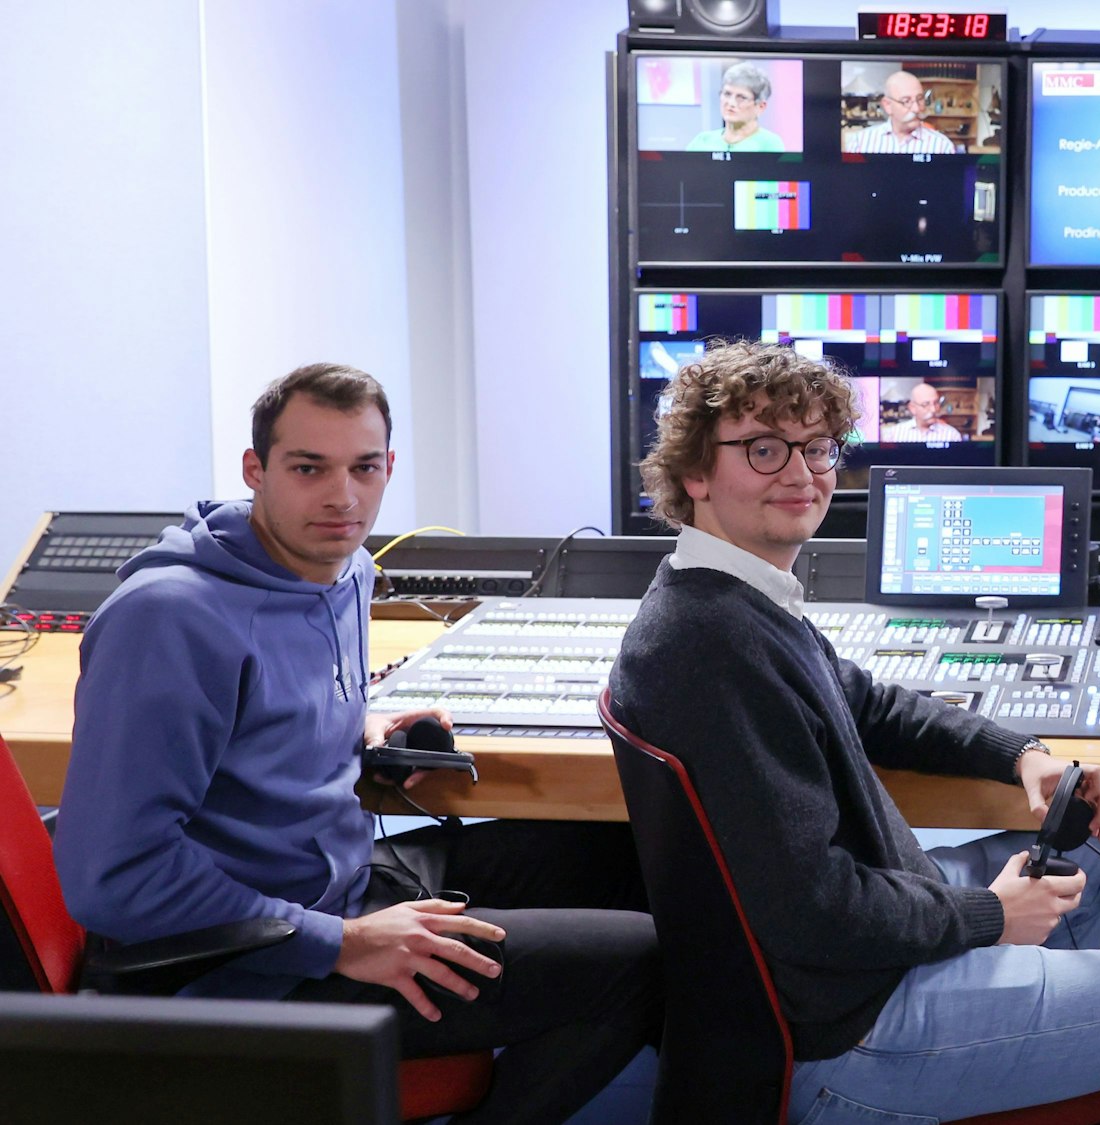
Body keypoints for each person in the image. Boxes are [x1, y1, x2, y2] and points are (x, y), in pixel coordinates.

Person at [609, 342, 1100, 1124]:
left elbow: (870, 703)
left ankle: (1030, 1059)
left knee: (1078, 861)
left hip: (839, 964)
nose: (802, 472)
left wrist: (1020, 753)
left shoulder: (724, 595)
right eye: (763, 448)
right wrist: (990, 917)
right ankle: (988, 1053)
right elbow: (813, 908)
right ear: (693, 472)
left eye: (817, 447)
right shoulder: (712, 643)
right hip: (845, 1026)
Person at [56, 364, 663, 1125]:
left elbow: (272, 702)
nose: (342, 497)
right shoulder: (169, 620)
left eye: (363, 467)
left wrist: (360, 722)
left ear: (388, 468)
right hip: (249, 961)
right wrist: (340, 943)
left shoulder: (344, 568)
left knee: (633, 858)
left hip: (346, 880)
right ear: (256, 469)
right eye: (308, 468)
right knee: (642, 964)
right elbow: (114, 876)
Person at [846, 70, 960, 154]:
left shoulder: (942, 146)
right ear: (887, 105)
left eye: (920, 99)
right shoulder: (860, 142)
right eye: (906, 101)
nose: (916, 108)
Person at [686, 61, 786, 153]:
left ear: (760, 106)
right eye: (727, 94)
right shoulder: (702, 141)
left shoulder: (770, 145)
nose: (731, 103)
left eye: (741, 97)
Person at [879, 380, 964, 442]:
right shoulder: (894, 434)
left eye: (936, 403)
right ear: (912, 408)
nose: (933, 409)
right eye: (926, 404)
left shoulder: (952, 435)